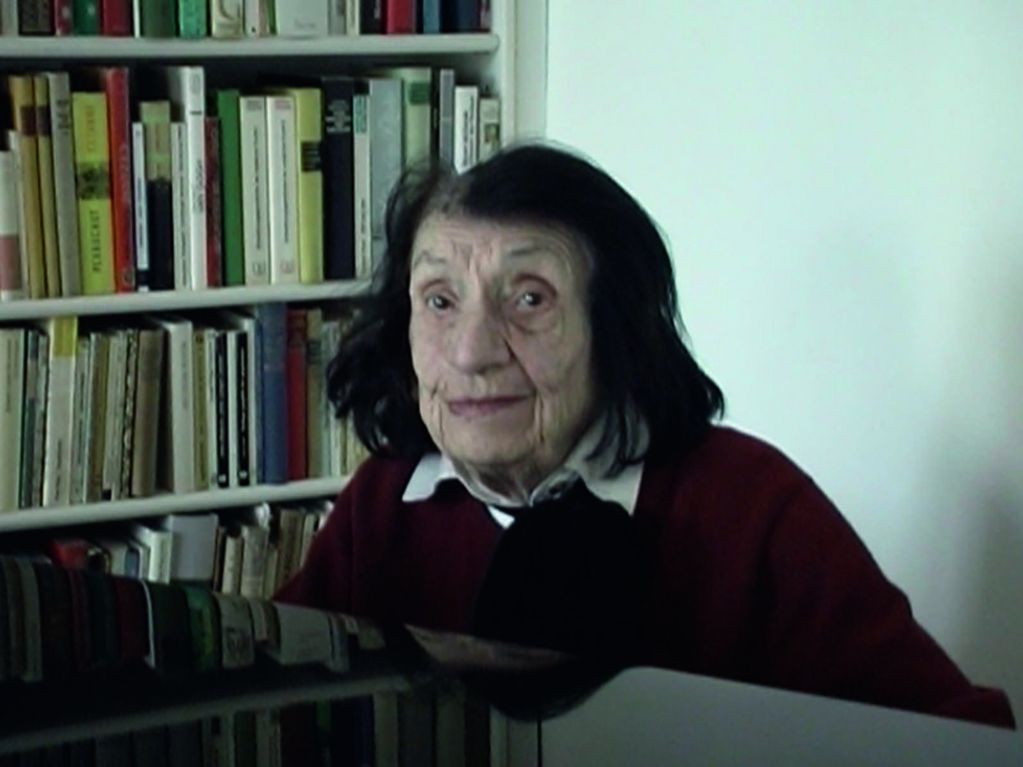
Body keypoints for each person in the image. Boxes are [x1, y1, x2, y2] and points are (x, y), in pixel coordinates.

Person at [276, 143, 1015, 729]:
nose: (471, 351)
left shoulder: (752, 507)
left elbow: (959, 737)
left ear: (612, 329)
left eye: (528, 298)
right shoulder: (385, 500)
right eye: (439, 300)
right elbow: (278, 704)